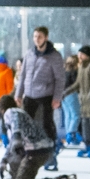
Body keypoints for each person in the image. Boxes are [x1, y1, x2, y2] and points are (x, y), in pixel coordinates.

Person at [0, 96, 78, 179]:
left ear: (2, 109)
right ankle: (17, 177)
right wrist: (4, 161)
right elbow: (11, 145)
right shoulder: (20, 112)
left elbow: (15, 126)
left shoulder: (11, 112)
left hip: (35, 150)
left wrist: (17, 138)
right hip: (43, 148)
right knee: (15, 154)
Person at [15, 26, 65, 169]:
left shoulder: (54, 56)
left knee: (46, 125)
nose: (37, 39)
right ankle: (27, 154)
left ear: (46, 38)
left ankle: (51, 155)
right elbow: (23, 75)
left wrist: (57, 98)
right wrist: (19, 94)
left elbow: (60, 79)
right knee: (26, 125)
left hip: (45, 96)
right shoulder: (30, 54)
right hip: (29, 96)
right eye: (35, 36)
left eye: (40, 37)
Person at [64, 45, 90, 159]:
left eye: (80, 54)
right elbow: (77, 83)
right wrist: (66, 92)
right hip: (84, 99)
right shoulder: (81, 66)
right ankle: (88, 146)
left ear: (86, 55)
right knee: (85, 122)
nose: (79, 56)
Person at [62, 55, 82, 145]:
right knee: (76, 115)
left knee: (68, 115)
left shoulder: (63, 70)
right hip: (71, 94)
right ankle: (71, 133)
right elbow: (76, 84)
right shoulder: (74, 71)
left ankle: (68, 134)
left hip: (62, 95)